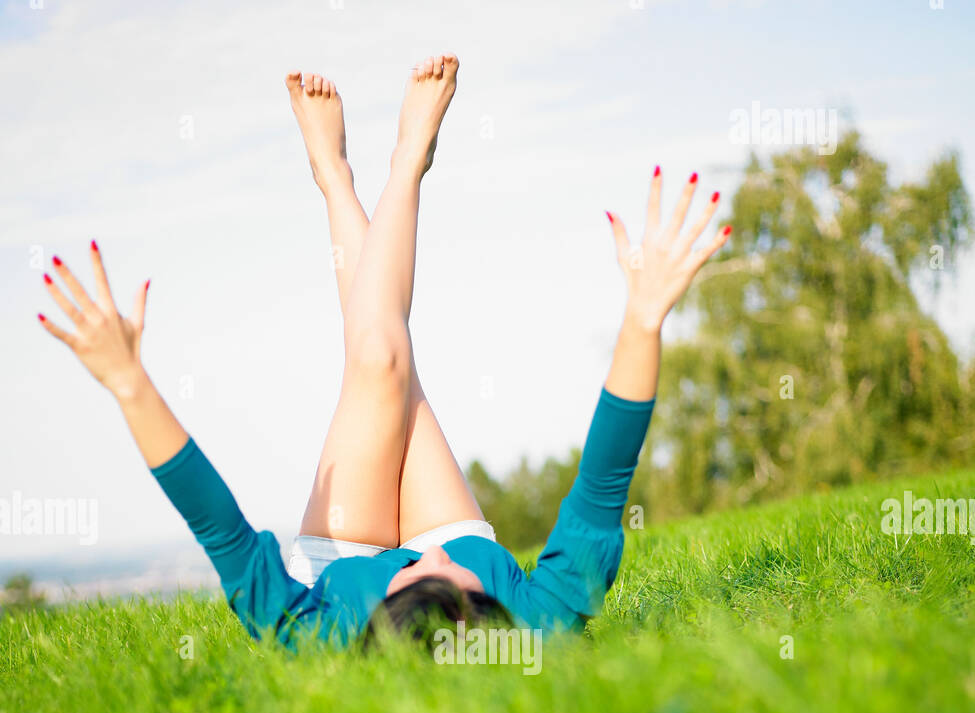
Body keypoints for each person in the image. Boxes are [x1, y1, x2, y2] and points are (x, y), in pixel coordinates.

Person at [37, 55, 731, 649]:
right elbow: (601, 489)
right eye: (454, 575)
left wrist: (130, 385)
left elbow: (223, 534)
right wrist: (642, 323)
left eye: (410, 575)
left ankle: (348, 173)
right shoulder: (539, 620)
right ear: (491, 615)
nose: (422, 552)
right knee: (384, 357)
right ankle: (397, 164)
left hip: (339, 553)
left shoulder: (316, 632)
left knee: (378, 357)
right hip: (458, 542)